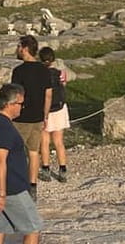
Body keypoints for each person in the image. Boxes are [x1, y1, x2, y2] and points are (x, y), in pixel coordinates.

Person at [0, 84, 43, 244]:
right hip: (10, 188)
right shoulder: (3, 127)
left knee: (0, 228)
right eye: (20, 104)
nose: (22, 107)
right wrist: (2, 194)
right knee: (33, 228)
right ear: (9, 104)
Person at [11, 35, 52, 201]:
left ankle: (17, 183)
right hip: (37, 116)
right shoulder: (44, 70)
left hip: (21, 117)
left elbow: (15, 95)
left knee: (16, 152)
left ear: (25, 48)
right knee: (34, 152)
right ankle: (32, 185)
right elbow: (48, 95)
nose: (18, 50)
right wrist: (45, 115)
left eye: (19, 46)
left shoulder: (19, 71)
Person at [38, 46, 69, 183]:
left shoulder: (38, 75)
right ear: (53, 59)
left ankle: (46, 169)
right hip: (60, 108)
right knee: (59, 141)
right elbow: (63, 86)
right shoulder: (60, 73)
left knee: (44, 141)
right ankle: (62, 170)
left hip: (45, 110)